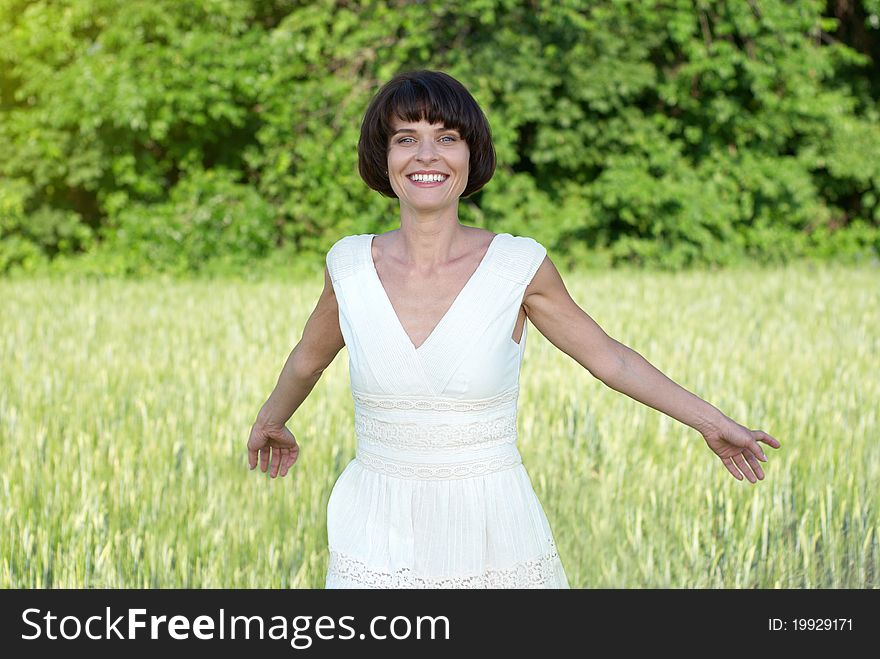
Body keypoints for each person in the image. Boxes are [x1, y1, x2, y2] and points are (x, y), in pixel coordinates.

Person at [247, 69, 781, 588]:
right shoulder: (349, 266)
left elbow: (610, 360)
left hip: (491, 528)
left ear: (470, 154)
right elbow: (307, 358)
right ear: (381, 157)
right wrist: (272, 419)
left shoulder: (516, 266)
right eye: (406, 138)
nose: (427, 155)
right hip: (375, 528)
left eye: (446, 138)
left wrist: (711, 422)